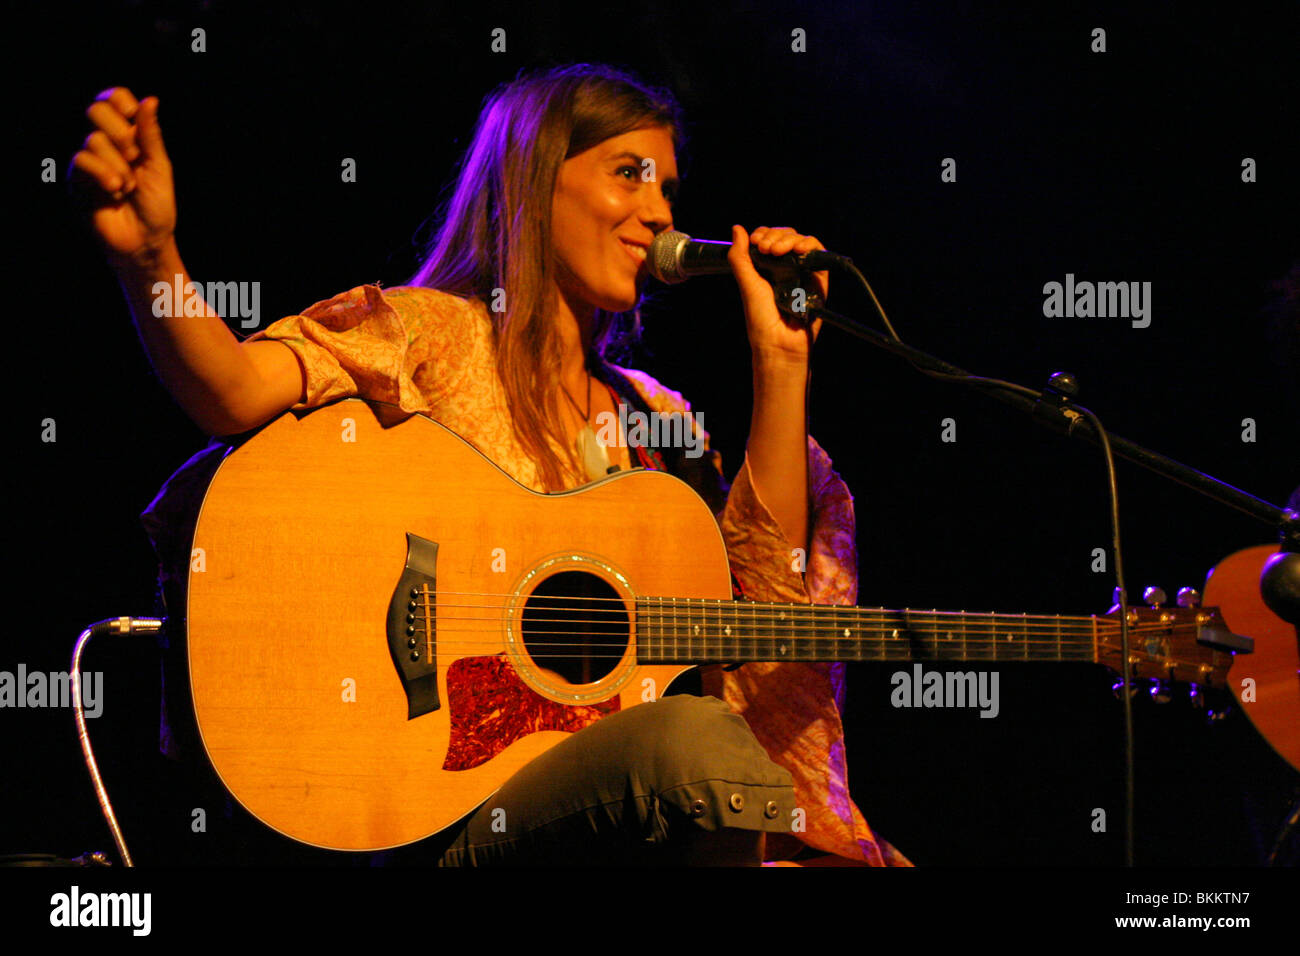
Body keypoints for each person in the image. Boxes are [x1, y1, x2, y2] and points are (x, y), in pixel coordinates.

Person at [72, 63, 908, 866]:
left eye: (668, 189)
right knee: (699, 750)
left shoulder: (658, 419)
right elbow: (233, 391)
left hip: (621, 817)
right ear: (534, 180)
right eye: (630, 174)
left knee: (714, 756)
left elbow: (765, 623)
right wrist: (153, 262)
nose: (659, 213)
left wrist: (782, 361)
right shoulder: (430, 336)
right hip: (437, 813)